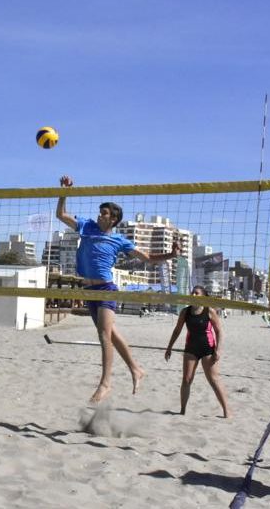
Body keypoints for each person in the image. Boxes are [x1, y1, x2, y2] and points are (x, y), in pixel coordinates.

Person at [56, 175, 180, 403]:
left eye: (103, 213)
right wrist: (64, 191)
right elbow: (61, 215)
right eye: (100, 211)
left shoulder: (120, 240)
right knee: (111, 333)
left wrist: (171, 255)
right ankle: (135, 368)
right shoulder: (87, 226)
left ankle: (105, 383)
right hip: (89, 290)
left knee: (104, 335)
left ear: (113, 219)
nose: (99, 215)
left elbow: (149, 258)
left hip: (106, 288)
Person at [164, 286, 230, 418]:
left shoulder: (209, 311)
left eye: (196, 293)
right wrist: (169, 347)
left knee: (214, 380)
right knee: (186, 380)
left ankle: (227, 411)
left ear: (203, 296)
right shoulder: (185, 312)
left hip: (207, 349)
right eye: (192, 292)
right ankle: (182, 410)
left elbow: (219, 331)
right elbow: (177, 330)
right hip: (191, 349)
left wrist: (218, 350)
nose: (193, 294)